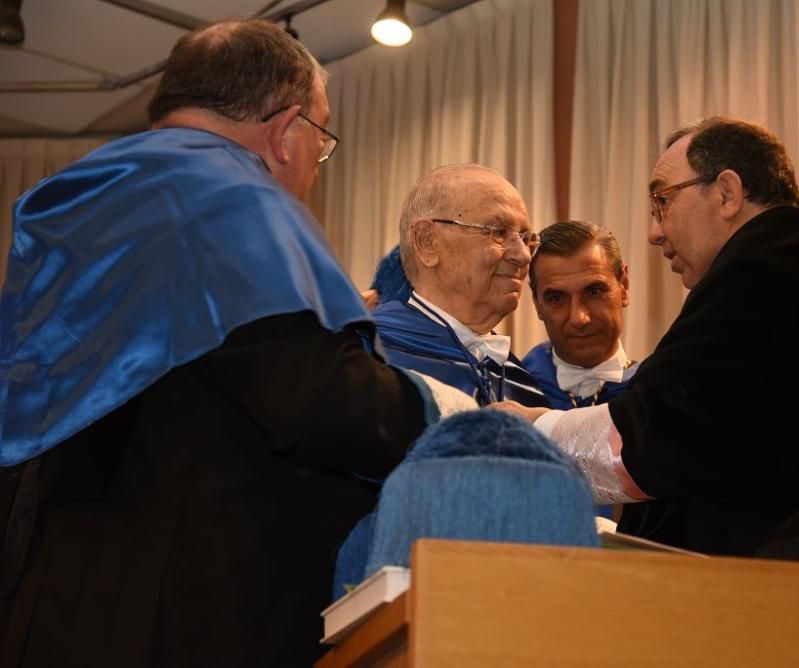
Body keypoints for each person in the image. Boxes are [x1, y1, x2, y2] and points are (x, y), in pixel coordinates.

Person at [0, 20, 458, 667]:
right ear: (285, 130)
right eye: (320, 141)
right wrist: (436, 407)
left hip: (47, 601)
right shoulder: (232, 201)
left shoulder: (74, 201)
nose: (313, 169)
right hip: (187, 613)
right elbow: (318, 398)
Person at [495, 116, 799, 570]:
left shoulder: (767, 272)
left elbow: (654, 437)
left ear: (726, 193)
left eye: (662, 201)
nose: (654, 232)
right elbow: (722, 453)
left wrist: (535, 431)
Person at [372, 164, 550, 407]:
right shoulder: (370, 354)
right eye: (498, 232)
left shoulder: (523, 386)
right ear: (427, 241)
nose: (524, 255)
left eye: (526, 238)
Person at [522, 220, 638, 409]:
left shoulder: (660, 394)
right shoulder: (510, 391)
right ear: (537, 304)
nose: (579, 318)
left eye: (594, 292)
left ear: (624, 287)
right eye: (557, 298)